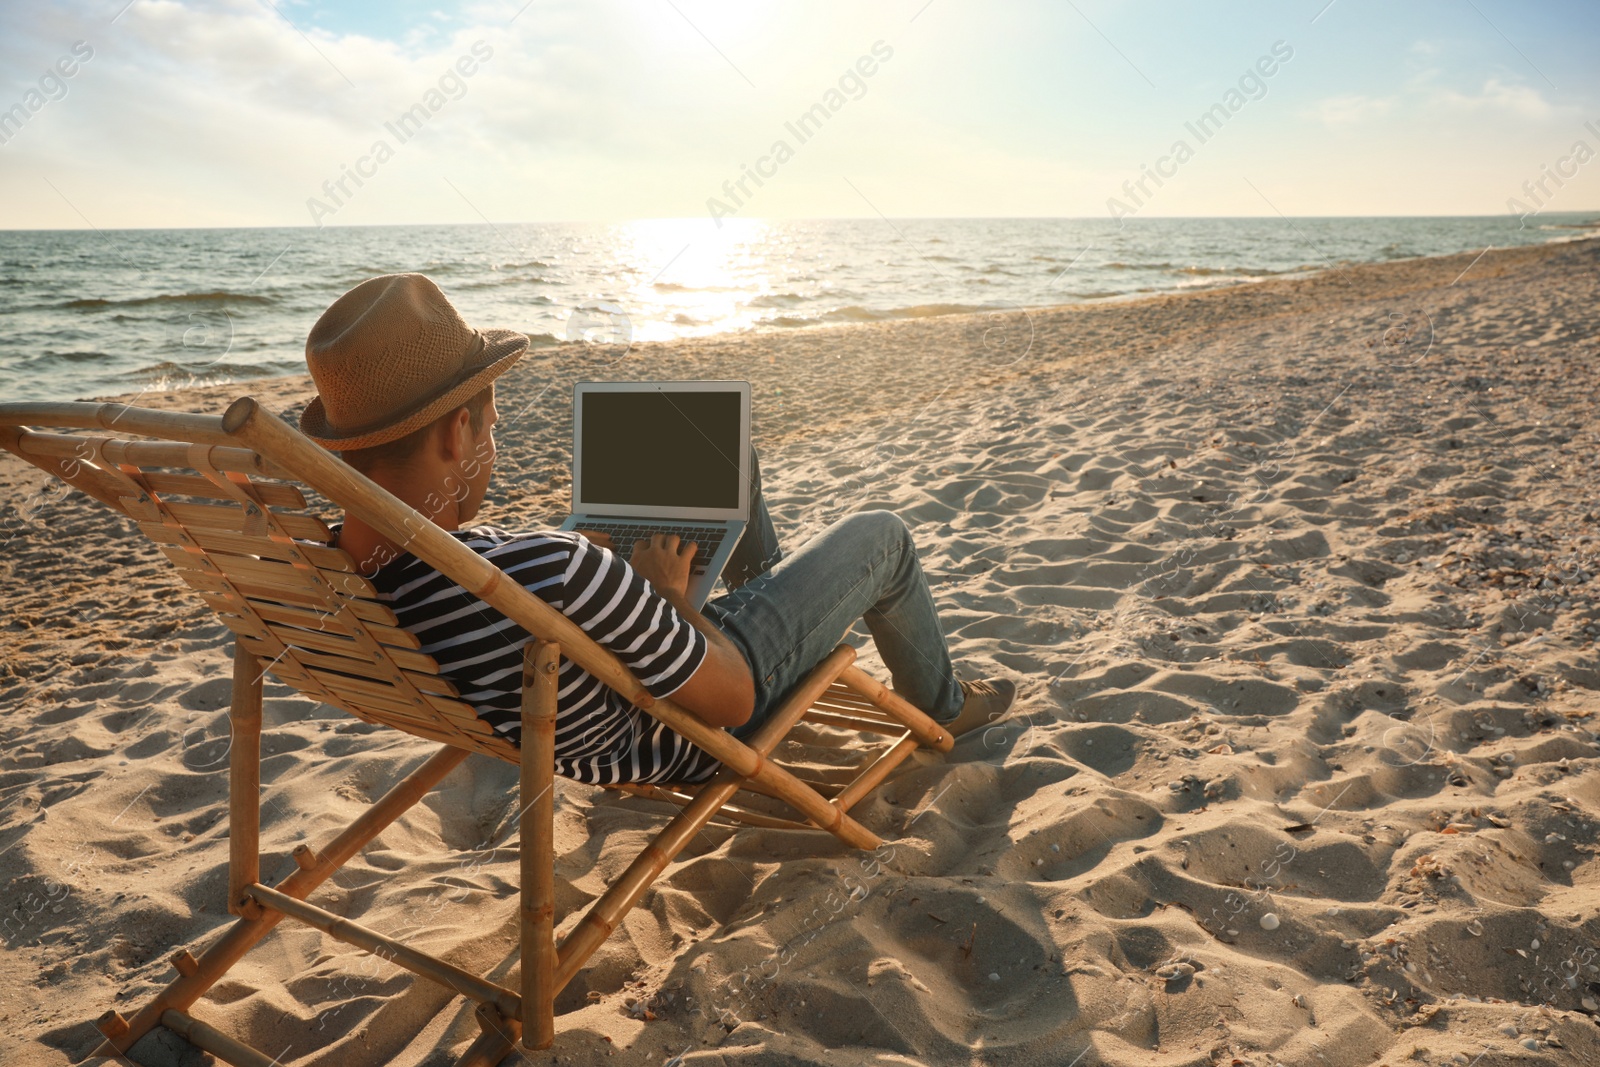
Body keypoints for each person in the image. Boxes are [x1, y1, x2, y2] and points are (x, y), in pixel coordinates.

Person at [300, 273, 1016, 786]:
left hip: (574, 678)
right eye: (492, 420)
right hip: (685, 725)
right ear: (458, 432)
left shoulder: (340, 570)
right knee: (881, 534)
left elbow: (527, 595)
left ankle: (764, 590)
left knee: (730, 460)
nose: (495, 434)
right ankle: (945, 705)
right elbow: (731, 701)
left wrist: (608, 582)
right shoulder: (559, 572)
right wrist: (664, 601)